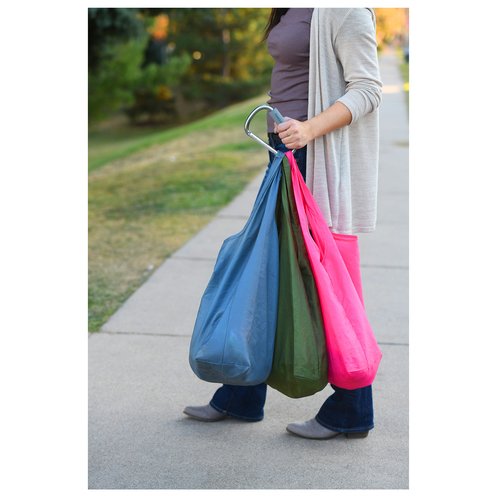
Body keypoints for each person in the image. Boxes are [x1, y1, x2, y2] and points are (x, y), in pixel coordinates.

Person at [183, 8, 382, 440]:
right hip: (283, 150)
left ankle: (352, 407)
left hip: (313, 154)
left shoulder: (344, 9)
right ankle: (242, 392)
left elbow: (368, 89)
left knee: (328, 278)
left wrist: (308, 129)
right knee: (267, 267)